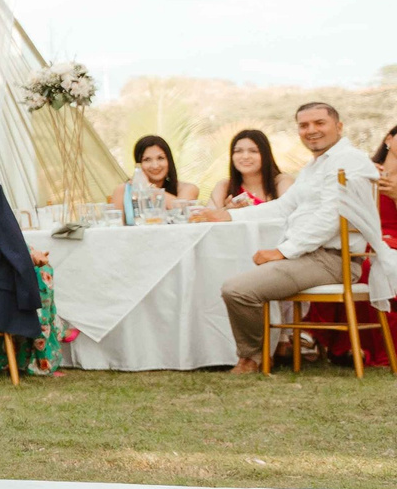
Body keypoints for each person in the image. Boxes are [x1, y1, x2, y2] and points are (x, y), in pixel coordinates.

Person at [218, 102, 386, 374]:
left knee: (237, 289)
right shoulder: (315, 166)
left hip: (333, 260)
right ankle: (264, 352)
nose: (311, 130)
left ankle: (252, 358)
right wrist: (227, 216)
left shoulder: (350, 160)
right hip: (309, 257)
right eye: (304, 125)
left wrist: (283, 251)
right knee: (233, 277)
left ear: (339, 126)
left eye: (319, 123)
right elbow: (283, 206)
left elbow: (332, 216)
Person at [126, 135, 198, 210]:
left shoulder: (188, 188)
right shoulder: (126, 191)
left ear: (169, 161)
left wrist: (149, 187)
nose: (155, 166)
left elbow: (182, 210)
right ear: (138, 164)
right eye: (147, 160)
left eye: (160, 158)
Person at [217, 129, 283, 208]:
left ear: (266, 155)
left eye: (253, 151)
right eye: (238, 151)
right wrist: (227, 210)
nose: (245, 156)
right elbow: (207, 214)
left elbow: (288, 211)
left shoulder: (280, 182)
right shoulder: (225, 186)